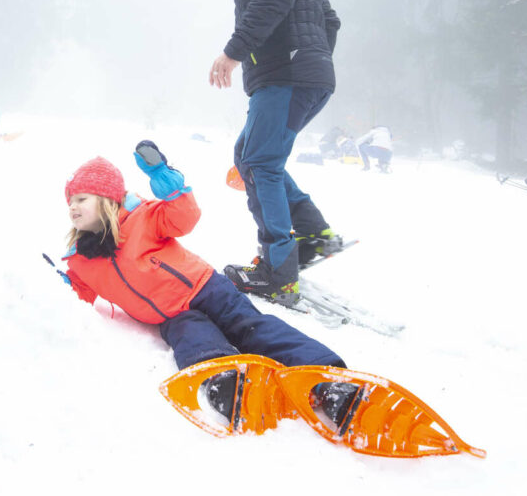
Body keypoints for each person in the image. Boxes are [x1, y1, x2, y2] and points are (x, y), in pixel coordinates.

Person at [60, 142, 355, 420]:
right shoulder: (80, 261)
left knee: (251, 328)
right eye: (70, 201)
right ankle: (226, 384)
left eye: (82, 199)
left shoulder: (142, 217)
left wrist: (166, 181)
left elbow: (184, 217)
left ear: (108, 200)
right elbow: (72, 295)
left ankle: (326, 377)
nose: (73, 206)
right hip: (175, 315)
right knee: (193, 341)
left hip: (207, 288)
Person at [208, 0, 341, 307]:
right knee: (251, 155)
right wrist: (312, 60)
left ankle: (277, 272)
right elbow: (330, 19)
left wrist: (234, 52)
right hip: (303, 74)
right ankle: (314, 234)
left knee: (260, 162)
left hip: (285, 74)